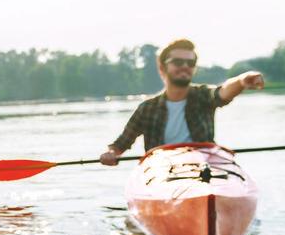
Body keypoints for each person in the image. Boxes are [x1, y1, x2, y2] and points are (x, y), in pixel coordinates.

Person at [99, 38, 265, 164]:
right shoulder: (147, 108)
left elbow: (223, 92)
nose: (185, 66)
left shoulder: (203, 96)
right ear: (163, 68)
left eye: (190, 62)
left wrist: (242, 81)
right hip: (161, 171)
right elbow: (120, 145)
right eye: (178, 62)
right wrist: (111, 154)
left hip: (204, 168)